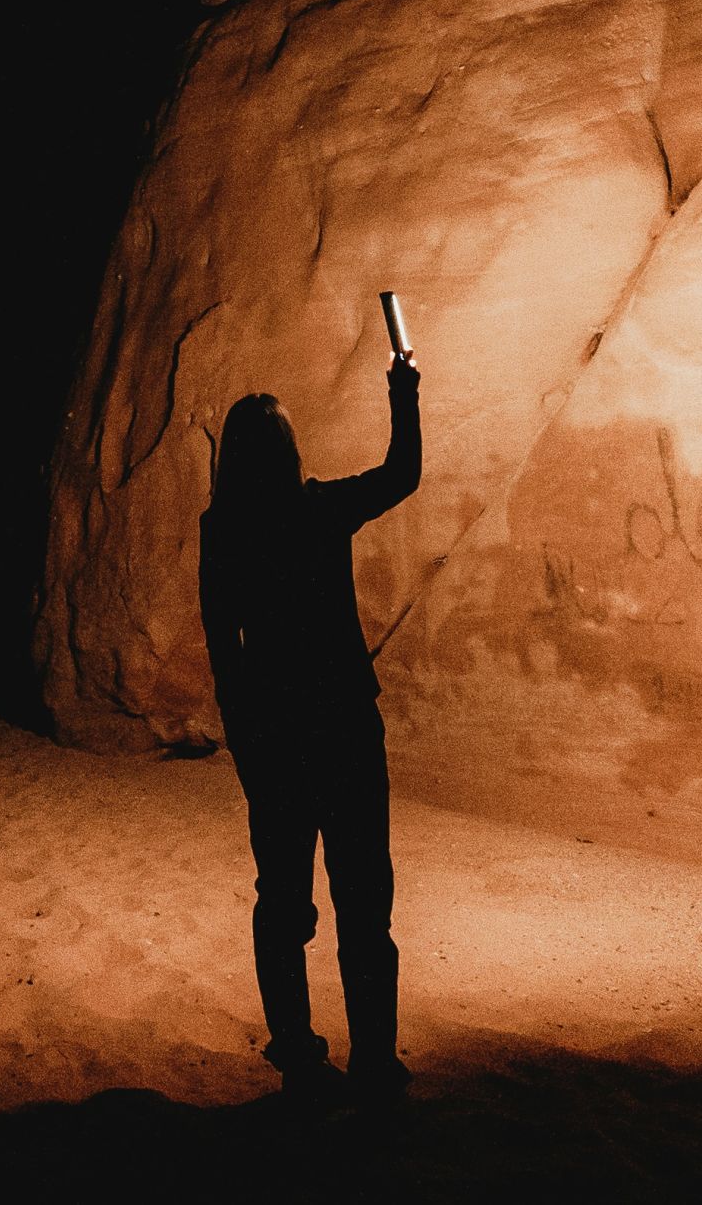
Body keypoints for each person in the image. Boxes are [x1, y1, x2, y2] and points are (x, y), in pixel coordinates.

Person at [199, 345, 422, 1101]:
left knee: (284, 902)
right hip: (346, 733)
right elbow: (403, 473)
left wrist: (246, 753)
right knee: (365, 904)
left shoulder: (223, 528)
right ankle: (374, 1061)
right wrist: (403, 388)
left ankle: (297, 1052)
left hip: (276, 741)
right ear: (291, 451)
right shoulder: (319, 508)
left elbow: (223, 655)